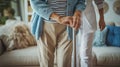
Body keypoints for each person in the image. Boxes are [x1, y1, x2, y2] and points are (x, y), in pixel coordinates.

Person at [30, 0, 86, 67]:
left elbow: (81, 1)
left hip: (68, 28)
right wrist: (59, 18)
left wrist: (78, 12)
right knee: (46, 64)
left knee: (64, 63)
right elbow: (35, 2)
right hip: (45, 26)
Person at [77, 0, 106, 67]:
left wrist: (102, 18)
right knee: (73, 55)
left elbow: (99, 2)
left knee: (85, 54)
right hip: (70, 20)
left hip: (88, 20)